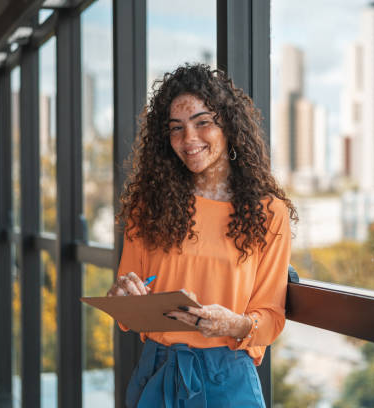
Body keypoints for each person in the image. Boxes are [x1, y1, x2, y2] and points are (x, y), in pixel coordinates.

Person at [106, 64, 298, 407]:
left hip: (229, 377)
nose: (189, 139)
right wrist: (122, 294)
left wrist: (234, 324)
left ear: (228, 125)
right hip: (158, 371)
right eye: (176, 128)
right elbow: (127, 305)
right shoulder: (147, 207)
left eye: (202, 122)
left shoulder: (270, 214)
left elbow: (271, 317)